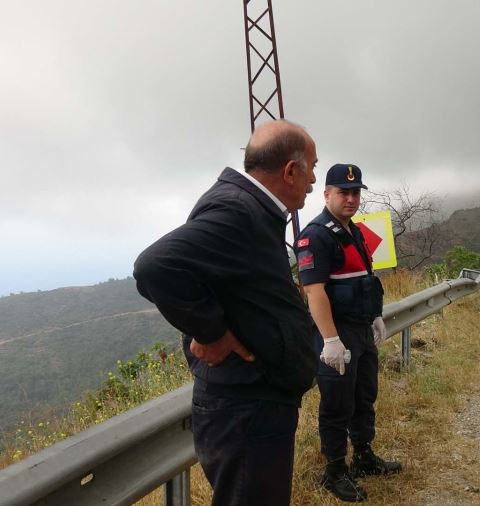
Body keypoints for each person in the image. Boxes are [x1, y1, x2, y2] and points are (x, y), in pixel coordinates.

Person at [133, 119, 318, 506]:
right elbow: (155, 266)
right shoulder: (239, 211)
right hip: (246, 407)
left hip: (250, 402)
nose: (314, 179)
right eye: (312, 168)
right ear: (290, 170)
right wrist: (211, 332)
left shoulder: (248, 208)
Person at [297, 164, 402, 502]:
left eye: (356, 192)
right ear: (327, 194)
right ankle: (335, 471)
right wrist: (330, 340)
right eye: (343, 192)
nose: (351, 198)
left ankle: (364, 455)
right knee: (336, 403)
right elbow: (314, 292)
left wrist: (375, 317)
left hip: (361, 329)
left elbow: (364, 280)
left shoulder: (353, 231)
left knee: (364, 395)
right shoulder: (316, 235)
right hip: (337, 332)